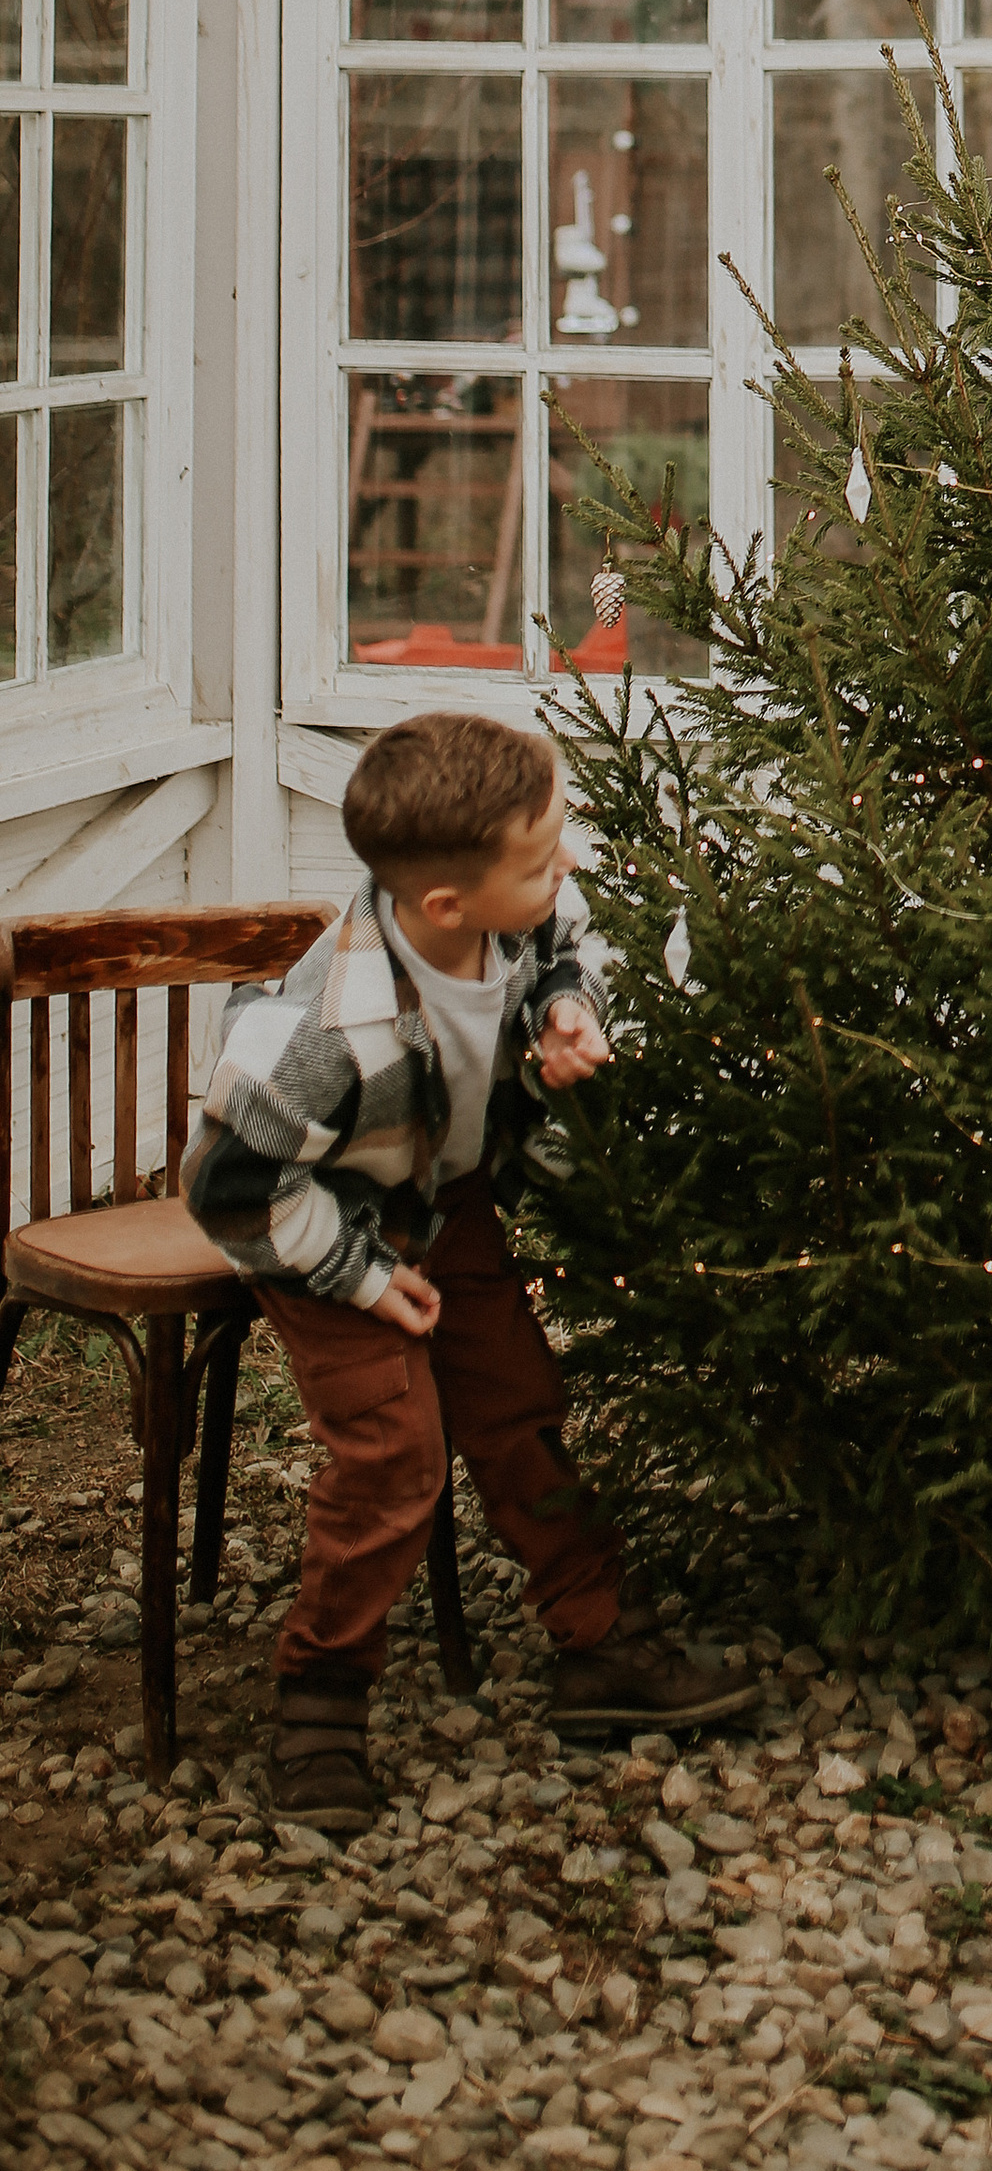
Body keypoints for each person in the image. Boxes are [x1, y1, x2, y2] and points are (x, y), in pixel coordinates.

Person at [184, 711, 758, 1826]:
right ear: (445, 905)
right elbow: (229, 1188)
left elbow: (568, 943)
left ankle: (600, 1644)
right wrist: (357, 1275)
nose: (568, 867)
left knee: (517, 1404)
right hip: (329, 1231)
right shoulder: (315, 1039)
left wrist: (567, 1013)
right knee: (398, 1458)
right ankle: (319, 1707)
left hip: (448, 1208)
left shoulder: (516, 917)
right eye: (542, 860)